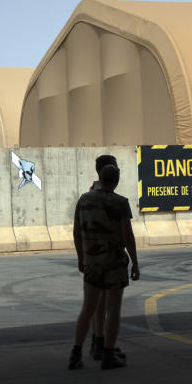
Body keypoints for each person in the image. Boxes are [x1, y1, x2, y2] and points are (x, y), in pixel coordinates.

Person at [69, 164, 139, 370]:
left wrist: (81, 258)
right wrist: (135, 262)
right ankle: (108, 353)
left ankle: (75, 353)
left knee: (87, 309)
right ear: (116, 181)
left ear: (99, 177)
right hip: (114, 263)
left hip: (92, 262)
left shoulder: (84, 200)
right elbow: (127, 236)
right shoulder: (120, 203)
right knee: (113, 309)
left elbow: (76, 232)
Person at [86, 154, 126, 364]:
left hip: (92, 256)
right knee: (108, 305)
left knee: (96, 304)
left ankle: (98, 342)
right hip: (109, 257)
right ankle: (102, 344)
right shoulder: (107, 196)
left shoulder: (90, 194)